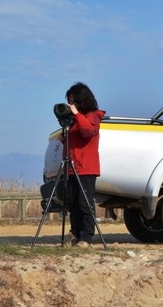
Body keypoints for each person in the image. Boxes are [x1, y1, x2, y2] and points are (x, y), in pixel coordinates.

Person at [61, 82, 105, 247]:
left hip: (86, 167)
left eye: (73, 100)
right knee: (73, 204)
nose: (71, 104)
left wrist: (76, 115)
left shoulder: (92, 116)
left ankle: (86, 238)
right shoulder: (74, 120)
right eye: (69, 101)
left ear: (81, 99)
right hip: (72, 168)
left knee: (84, 203)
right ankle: (76, 234)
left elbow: (88, 131)